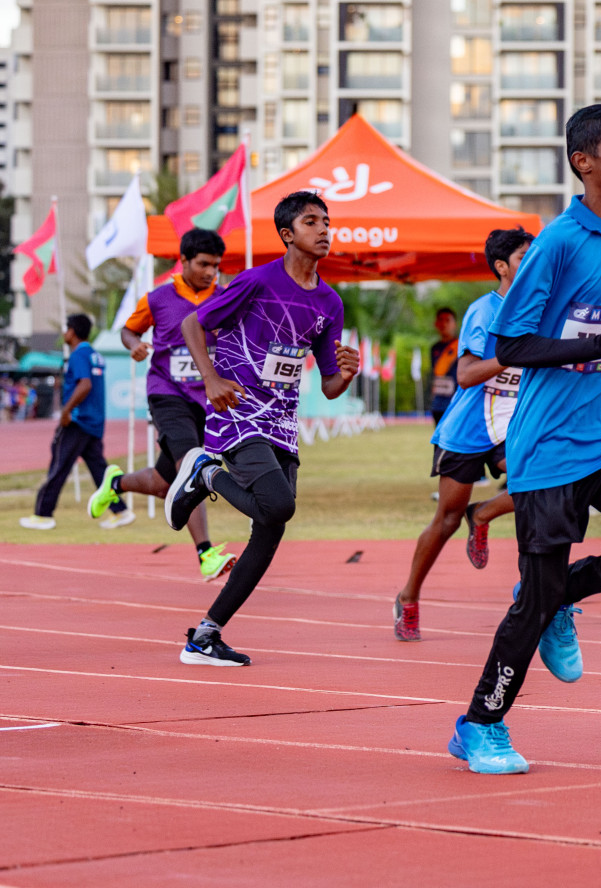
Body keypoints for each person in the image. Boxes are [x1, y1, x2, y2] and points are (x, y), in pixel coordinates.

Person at [448, 102, 601, 774]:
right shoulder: (557, 243)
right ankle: (480, 725)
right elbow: (512, 344)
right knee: (531, 602)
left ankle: (567, 594)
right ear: (585, 162)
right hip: (550, 447)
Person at [165, 191, 358, 666]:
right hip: (237, 410)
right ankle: (205, 474)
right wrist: (210, 379)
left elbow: (330, 387)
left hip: (281, 419)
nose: (324, 229)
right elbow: (194, 323)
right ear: (288, 234)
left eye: (327, 221)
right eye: (312, 222)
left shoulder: (330, 303)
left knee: (270, 529)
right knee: (280, 505)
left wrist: (346, 373)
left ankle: (205, 637)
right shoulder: (257, 281)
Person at [394, 228, 533, 641]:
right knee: (447, 519)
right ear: (502, 267)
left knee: (542, 489)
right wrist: (510, 356)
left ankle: (484, 512)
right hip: (469, 429)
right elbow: (467, 374)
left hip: (512, 424)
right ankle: (409, 597)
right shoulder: (484, 312)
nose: (534, 264)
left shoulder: (542, 310)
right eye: (525, 257)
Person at [87, 229, 236, 580]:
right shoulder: (158, 298)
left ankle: (116, 484)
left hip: (208, 399)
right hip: (167, 392)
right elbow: (129, 330)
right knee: (193, 468)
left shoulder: (225, 297)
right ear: (182, 261)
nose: (210, 272)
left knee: (162, 483)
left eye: (215, 266)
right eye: (202, 265)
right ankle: (206, 554)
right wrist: (133, 345)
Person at [20, 314, 131, 531]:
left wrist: (67, 410)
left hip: (78, 420)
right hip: (94, 421)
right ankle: (121, 511)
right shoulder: (95, 356)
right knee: (99, 470)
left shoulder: (79, 355)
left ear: (72, 331)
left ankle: (43, 515)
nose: (64, 333)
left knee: (59, 465)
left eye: (66, 329)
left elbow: (85, 385)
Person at [429, 307, 460, 425]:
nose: (444, 324)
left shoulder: (461, 346)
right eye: (441, 320)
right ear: (436, 324)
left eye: (448, 320)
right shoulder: (434, 348)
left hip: (455, 403)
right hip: (438, 404)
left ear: (454, 324)